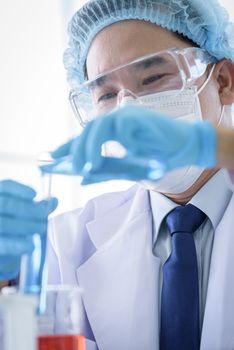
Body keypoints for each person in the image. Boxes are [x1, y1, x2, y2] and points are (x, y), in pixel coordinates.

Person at [1, 0, 234, 349]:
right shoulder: (65, 245)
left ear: (224, 82)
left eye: (154, 77)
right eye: (107, 94)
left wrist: (213, 144)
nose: (129, 109)